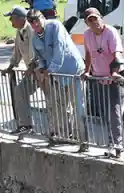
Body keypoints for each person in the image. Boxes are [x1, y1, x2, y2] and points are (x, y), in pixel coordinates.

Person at [29, 10, 86, 146]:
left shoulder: (55, 26)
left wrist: (49, 70)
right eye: (31, 22)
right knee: (60, 107)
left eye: (36, 19)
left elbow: (59, 51)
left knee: (78, 106)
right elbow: (39, 56)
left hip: (73, 71)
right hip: (56, 76)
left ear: (43, 18)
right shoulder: (34, 37)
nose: (35, 23)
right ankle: (65, 136)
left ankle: (82, 139)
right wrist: (42, 68)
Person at [82, 8, 124, 157]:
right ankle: (111, 143)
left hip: (112, 78)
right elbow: (88, 54)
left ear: (101, 18)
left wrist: (114, 73)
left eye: (96, 19)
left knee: (114, 112)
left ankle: (118, 145)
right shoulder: (87, 35)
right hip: (98, 77)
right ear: (86, 23)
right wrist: (87, 71)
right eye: (90, 21)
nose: (95, 23)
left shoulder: (111, 32)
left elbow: (117, 54)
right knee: (104, 113)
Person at [4, 6, 37, 135]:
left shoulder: (31, 29)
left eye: (11, 18)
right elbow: (17, 51)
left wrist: (32, 67)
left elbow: (34, 50)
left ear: (19, 18)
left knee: (51, 100)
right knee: (20, 91)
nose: (10, 21)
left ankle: (56, 131)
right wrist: (11, 66)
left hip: (39, 69)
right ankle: (26, 125)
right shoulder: (19, 31)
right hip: (32, 70)